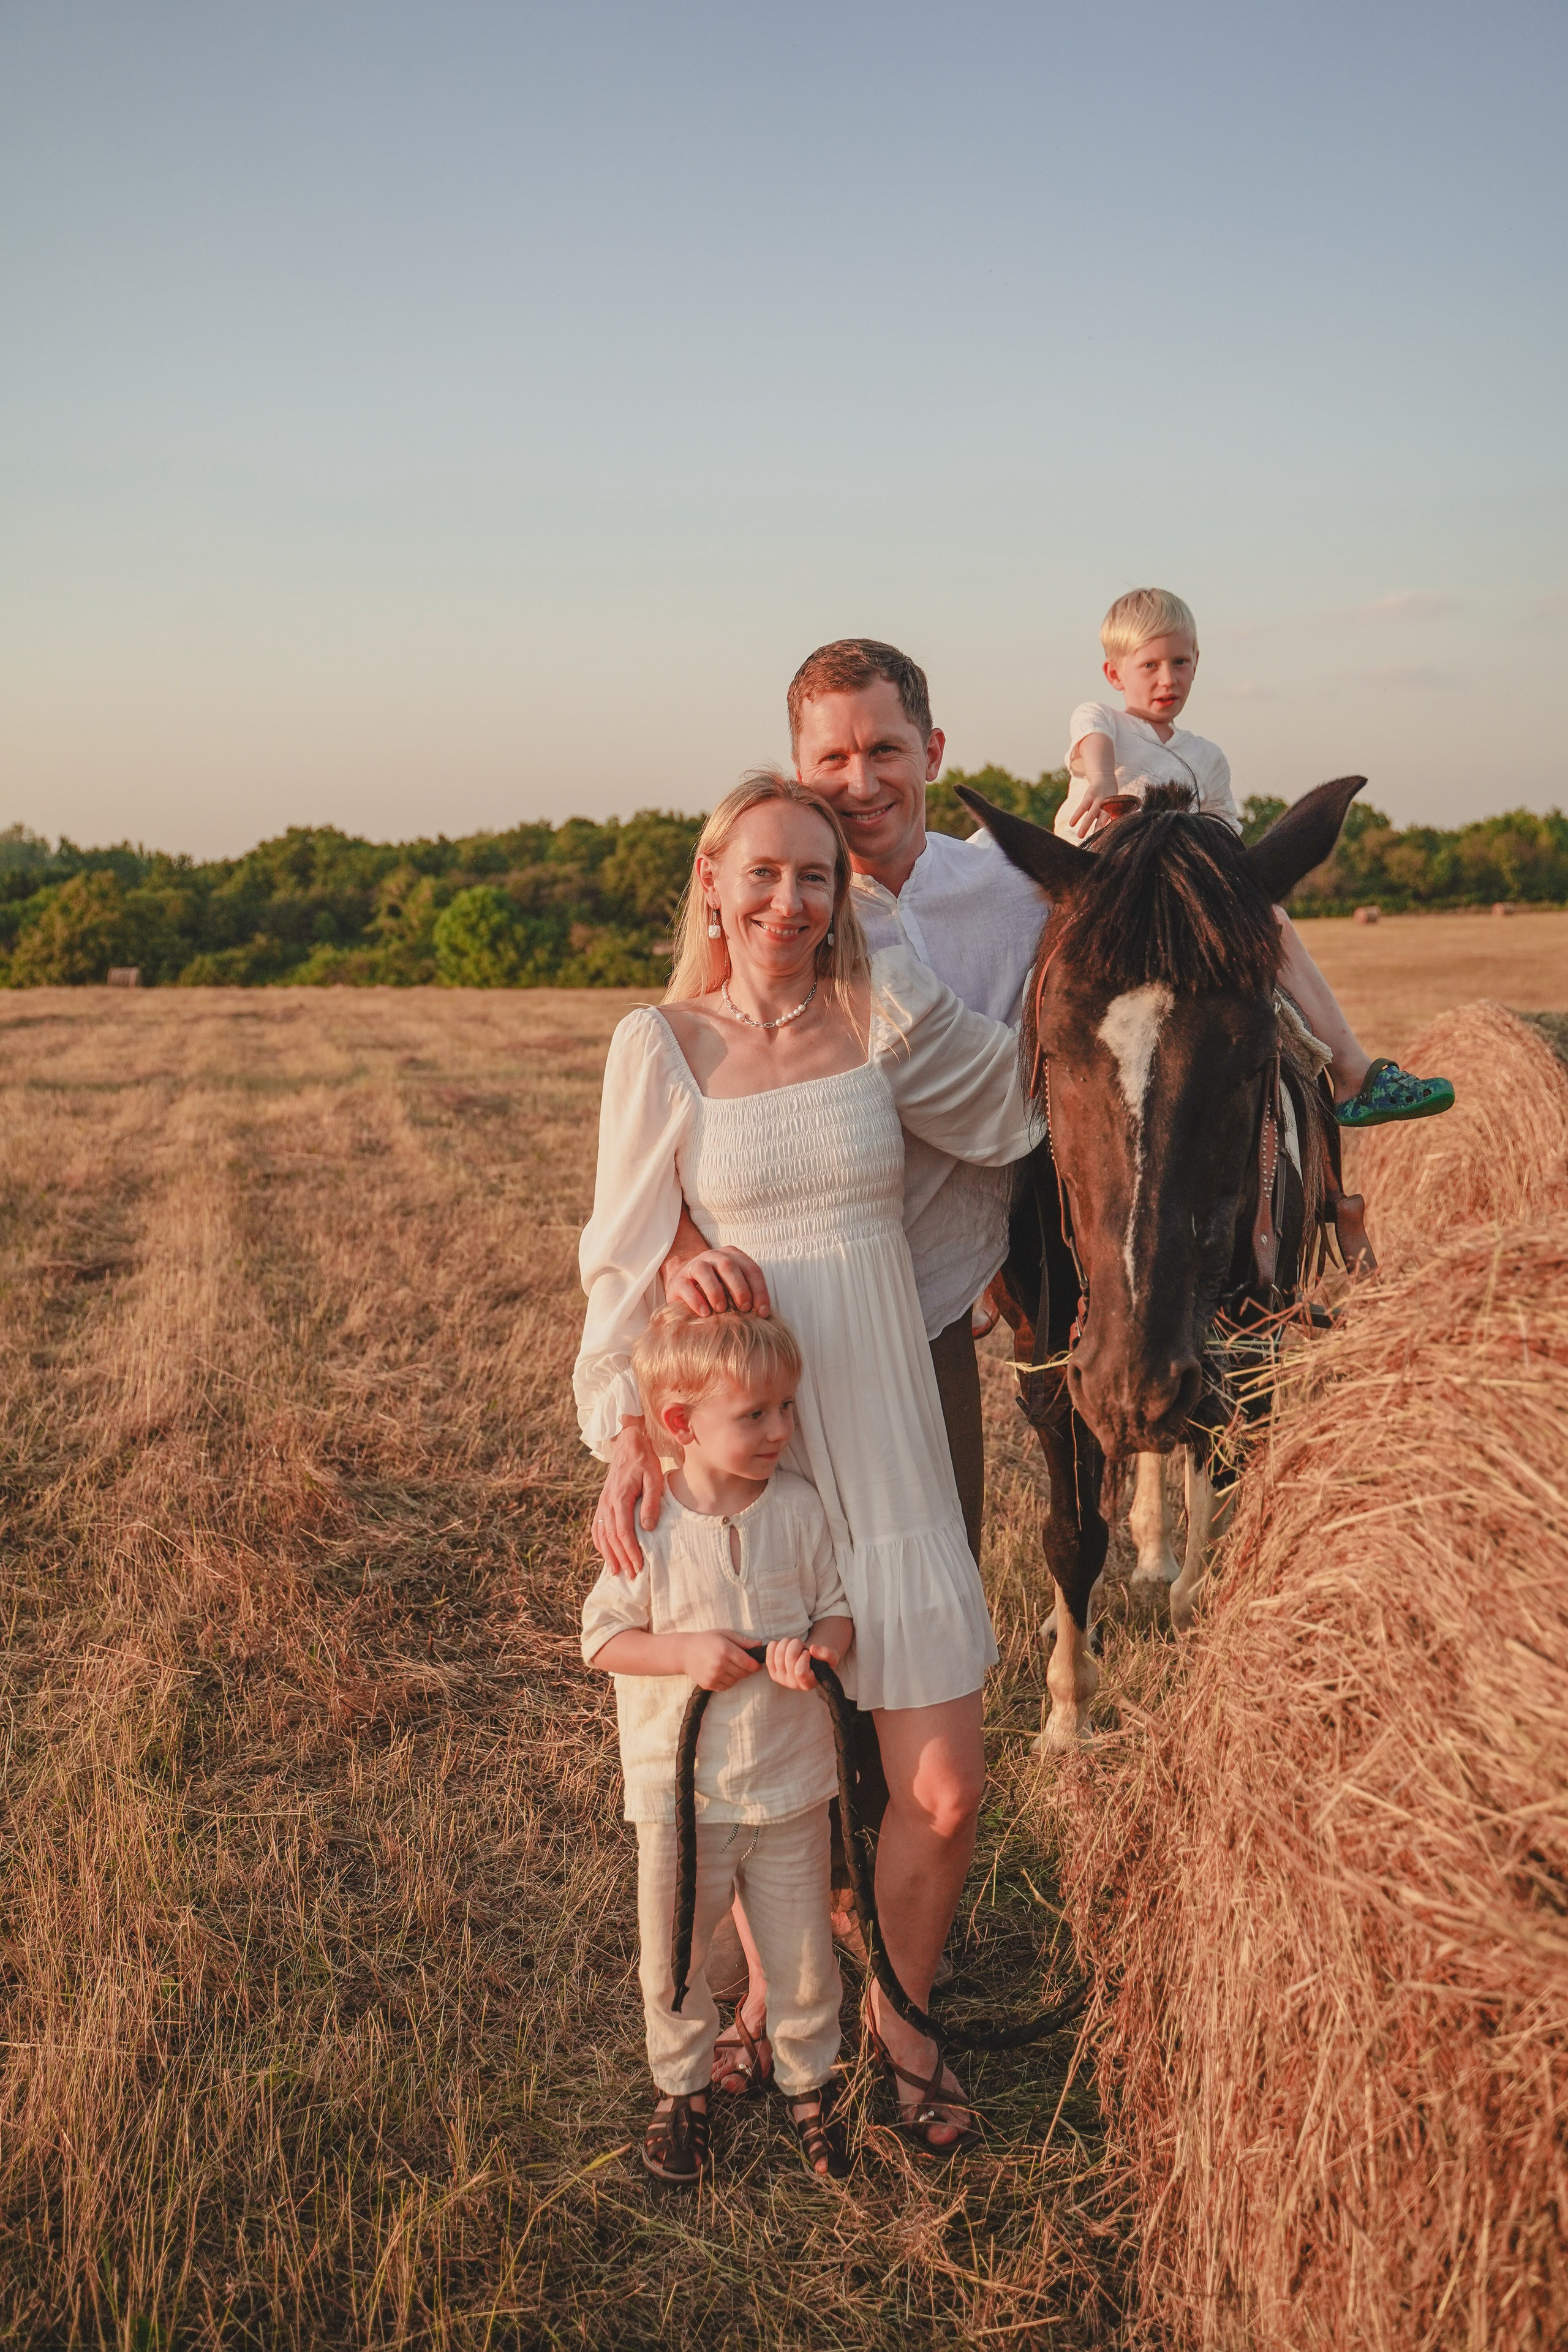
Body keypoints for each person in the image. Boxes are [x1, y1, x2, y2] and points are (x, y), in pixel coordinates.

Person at [574, 769, 1036, 2152]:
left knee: (942, 1785)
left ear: (844, 898)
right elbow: (617, 1251)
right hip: (752, 1454)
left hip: (883, 1431)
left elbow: (1011, 1115)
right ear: (711, 881)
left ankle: (904, 2018)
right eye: (761, 871)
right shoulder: (655, 1044)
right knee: (756, 1771)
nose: (788, 899)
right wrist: (627, 1419)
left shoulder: (874, 1011)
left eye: (816, 876)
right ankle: (767, 2016)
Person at [581, 1303, 854, 2184]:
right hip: (682, 1796)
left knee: (802, 1946)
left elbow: (838, 1611)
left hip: (789, 1785)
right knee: (676, 1950)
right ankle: (683, 2085)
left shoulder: (801, 1511)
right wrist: (684, 1653)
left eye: (786, 1410)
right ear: (677, 1425)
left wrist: (816, 1653)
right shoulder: (651, 1528)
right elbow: (602, 1639)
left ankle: (810, 2079)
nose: (781, 1430)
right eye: (755, 1416)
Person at [1057, 587, 1455, 1129]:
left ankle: (1354, 1073)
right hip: (1101, 885)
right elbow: (1092, 745)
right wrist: (1102, 780)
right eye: (1149, 665)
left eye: (1181, 662)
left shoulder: (1207, 757)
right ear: (1114, 673)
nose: (1167, 679)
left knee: (1270, 923)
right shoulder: (1103, 720)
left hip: (1179, 895)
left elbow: (1225, 835)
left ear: (1198, 663)